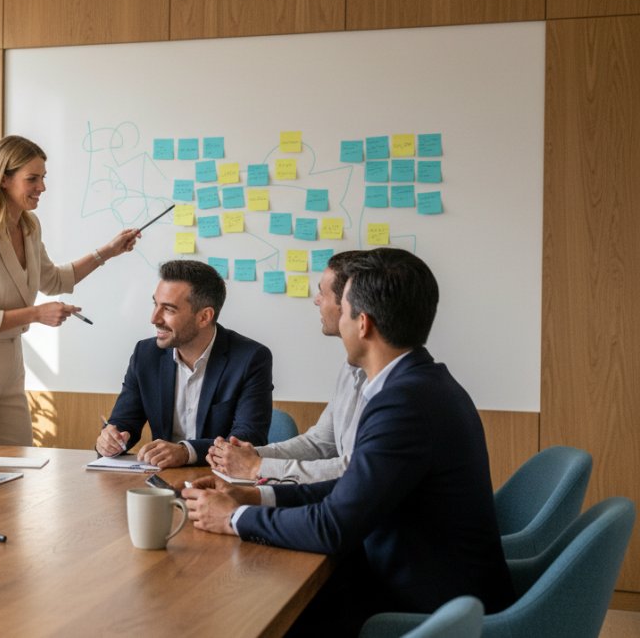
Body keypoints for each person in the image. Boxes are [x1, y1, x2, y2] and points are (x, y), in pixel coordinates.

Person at [184, 248, 513, 636]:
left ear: (363, 324)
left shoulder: (403, 403)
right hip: (423, 581)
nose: (333, 317)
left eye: (342, 312)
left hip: (428, 605)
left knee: (252, 612)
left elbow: (333, 526)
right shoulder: (419, 383)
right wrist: (255, 497)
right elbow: (354, 486)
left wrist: (232, 518)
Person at [0, 135, 140, 446]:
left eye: (43, 178)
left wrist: (108, 252)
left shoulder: (29, 228)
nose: (42, 187)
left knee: (20, 462)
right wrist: (37, 314)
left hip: (10, 361)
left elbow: (54, 280)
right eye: (32, 178)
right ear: (3, 179)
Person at [95, 260, 273, 469]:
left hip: (222, 483)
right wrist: (110, 441)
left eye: (168, 309)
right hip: (162, 481)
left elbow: (247, 440)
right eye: (155, 304)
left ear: (204, 317)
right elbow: (124, 425)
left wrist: (186, 451)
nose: (154, 318)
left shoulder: (250, 358)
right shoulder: (146, 354)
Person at [207, 251, 367, 483]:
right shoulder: (351, 369)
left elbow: (356, 470)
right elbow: (321, 443)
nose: (316, 300)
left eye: (323, 292)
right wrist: (251, 456)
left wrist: (259, 466)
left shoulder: (398, 390)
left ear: (351, 306)